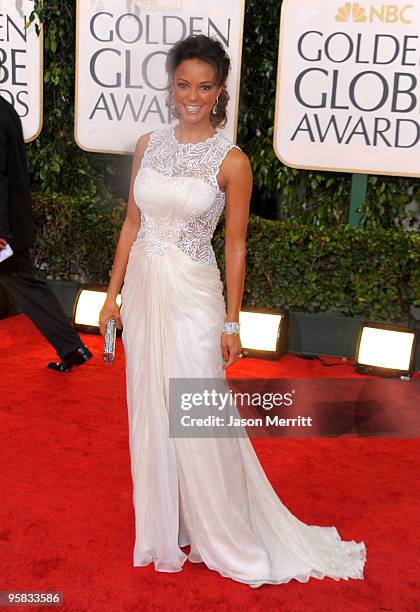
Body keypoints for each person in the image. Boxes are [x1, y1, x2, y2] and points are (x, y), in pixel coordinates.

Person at [99, 35, 366, 587]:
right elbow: (132, 223)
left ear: (220, 91)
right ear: (170, 85)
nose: (191, 96)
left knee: (198, 411)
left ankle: (224, 531)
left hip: (195, 295)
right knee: (150, 401)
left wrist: (231, 321)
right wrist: (112, 294)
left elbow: (236, 245)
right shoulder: (148, 144)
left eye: (204, 86)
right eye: (182, 84)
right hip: (147, 291)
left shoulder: (233, 161)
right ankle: (169, 524)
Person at [0, 95, 92, 372]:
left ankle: (72, 347)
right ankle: (72, 348)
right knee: (28, 286)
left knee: (27, 286)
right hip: (11, 226)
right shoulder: (5, 108)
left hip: (5, 229)